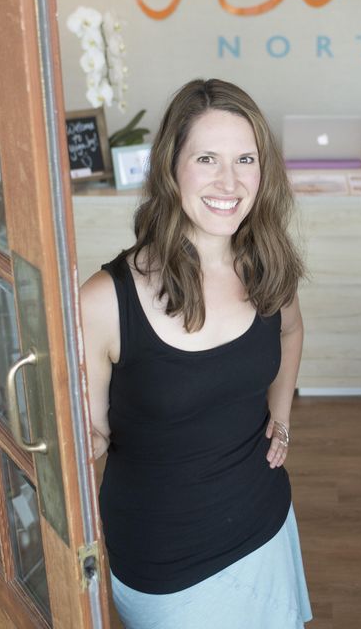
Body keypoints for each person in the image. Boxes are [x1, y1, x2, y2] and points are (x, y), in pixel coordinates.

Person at [81, 79, 312, 628]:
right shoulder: (103, 299)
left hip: (263, 521)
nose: (229, 182)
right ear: (170, 167)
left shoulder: (267, 265)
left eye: (245, 160)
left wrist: (280, 420)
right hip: (166, 557)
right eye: (206, 158)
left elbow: (291, 333)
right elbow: (86, 438)